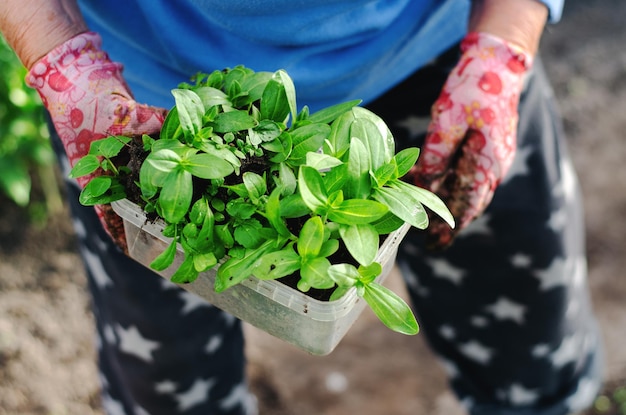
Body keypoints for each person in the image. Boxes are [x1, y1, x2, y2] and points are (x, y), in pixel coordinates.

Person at [0, 0, 603, 414]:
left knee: (534, 365)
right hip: (146, 108)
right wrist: (63, 63)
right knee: (169, 389)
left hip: (443, 53)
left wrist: (505, 44)